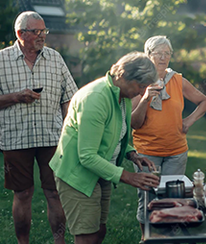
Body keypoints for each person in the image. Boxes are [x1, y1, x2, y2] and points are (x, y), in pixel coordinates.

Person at [49, 52, 160, 244]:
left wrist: (131, 153)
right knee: (86, 236)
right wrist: (128, 176)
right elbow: (87, 156)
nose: (142, 93)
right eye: (141, 86)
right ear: (124, 76)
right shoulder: (96, 98)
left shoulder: (121, 95)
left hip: (101, 171)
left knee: (99, 231)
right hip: (78, 174)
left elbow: (114, 132)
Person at [0, 11, 78, 244]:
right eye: (37, 32)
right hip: (15, 138)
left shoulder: (55, 58)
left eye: (44, 31)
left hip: (52, 138)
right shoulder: (1, 60)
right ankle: (23, 242)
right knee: (22, 193)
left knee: (54, 192)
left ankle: (59, 241)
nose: (42, 36)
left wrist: (68, 132)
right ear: (20, 33)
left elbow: (69, 98)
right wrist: (16, 97)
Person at [131, 35, 206, 236]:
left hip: (176, 151)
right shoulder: (138, 83)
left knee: (172, 198)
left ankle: (167, 238)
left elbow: (204, 102)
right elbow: (133, 122)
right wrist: (145, 99)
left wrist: (189, 121)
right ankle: (147, 237)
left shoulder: (177, 80)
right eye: (159, 53)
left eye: (167, 53)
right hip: (146, 153)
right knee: (147, 199)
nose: (163, 57)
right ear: (148, 55)